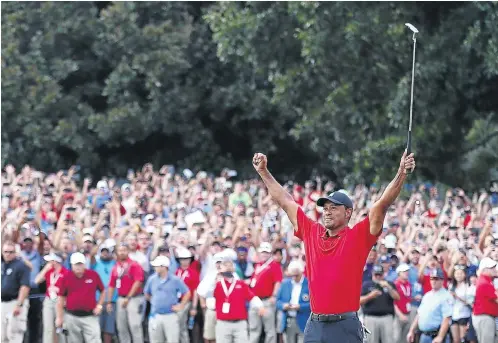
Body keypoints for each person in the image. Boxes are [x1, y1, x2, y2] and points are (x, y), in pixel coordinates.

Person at [252, 150, 416, 343]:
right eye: (325, 208)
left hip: (345, 326)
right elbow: (285, 201)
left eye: (334, 208)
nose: (327, 212)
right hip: (315, 324)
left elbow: (382, 205)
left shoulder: (358, 237)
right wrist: (263, 171)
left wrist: (401, 173)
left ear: (348, 212)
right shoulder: (312, 232)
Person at [213, 256, 267, 343]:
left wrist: (260, 306)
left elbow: (251, 297)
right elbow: (203, 291)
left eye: (229, 265)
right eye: (225, 265)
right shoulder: (216, 284)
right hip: (223, 323)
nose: (228, 267)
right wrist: (216, 274)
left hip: (240, 323)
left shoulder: (240, 284)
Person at [56, 252, 105, 343]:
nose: (78, 267)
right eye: (76, 264)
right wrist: (59, 317)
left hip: (90, 316)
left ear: (84, 264)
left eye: (80, 264)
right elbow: (61, 298)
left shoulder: (93, 275)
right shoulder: (66, 277)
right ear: (72, 265)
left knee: (95, 340)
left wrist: (99, 306)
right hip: (71, 316)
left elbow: (102, 291)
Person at [144, 255, 191, 343]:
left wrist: (181, 305)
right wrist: (154, 301)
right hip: (155, 315)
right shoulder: (152, 279)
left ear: (164, 267)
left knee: (172, 340)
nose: (155, 268)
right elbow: (147, 293)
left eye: (157, 266)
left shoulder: (175, 280)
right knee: (155, 340)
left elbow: (187, 292)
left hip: (170, 315)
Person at [107, 243, 145, 343]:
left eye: (124, 250)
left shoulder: (134, 264)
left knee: (135, 325)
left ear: (128, 251)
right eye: (120, 250)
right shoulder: (116, 267)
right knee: (121, 326)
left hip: (133, 298)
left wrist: (128, 298)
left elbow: (138, 282)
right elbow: (111, 285)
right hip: (120, 298)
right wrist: (109, 301)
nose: (122, 252)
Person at [248, 241, 283, 343]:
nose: (264, 254)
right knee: (254, 328)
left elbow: (278, 282)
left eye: (266, 252)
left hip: (267, 300)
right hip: (255, 301)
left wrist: (274, 296)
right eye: (263, 252)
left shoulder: (274, 265)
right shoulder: (258, 265)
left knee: (269, 330)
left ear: (270, 253)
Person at [407, 268, 453, 343]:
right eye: (431, 278)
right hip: (424, 335)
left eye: (436, 279)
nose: (433, 281)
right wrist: (411, 331)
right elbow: (419, 314)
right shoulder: (427, 295)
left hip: (436, 335)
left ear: (442, 280)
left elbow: (447, 319)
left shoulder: (446, 296)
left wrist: (440, 337)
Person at [34, 252, 69, 343]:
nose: (48, 263)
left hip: (61, 301)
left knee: (61, 326)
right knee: (48, 328)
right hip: (49, 300)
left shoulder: (65, 273)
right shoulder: (49, 271)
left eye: (50, 261)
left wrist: (59, 290)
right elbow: (37, 280)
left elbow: (69, 290)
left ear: (55, 261)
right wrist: (45, 269)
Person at [360, 264, 400, 343]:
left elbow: (397, 298)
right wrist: (370, 296)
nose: (378, 276)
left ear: (383, 274)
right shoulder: (366, 284)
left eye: (380, 274)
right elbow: (359, 301)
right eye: (376, 274)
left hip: (386, 317)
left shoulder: (389, 284)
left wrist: (388, 287)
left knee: (388, 340)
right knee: (371, 341)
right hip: (371, 318)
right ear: (372, 274)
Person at [1, 241, 31, 343]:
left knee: (14, 335)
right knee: (2, 336)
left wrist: (19, 304)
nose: (8, 254)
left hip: (16, 302)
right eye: (5, 252)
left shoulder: (21, 265)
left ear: (15, 252)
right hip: (3, 303)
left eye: (10, 252)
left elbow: (25, 287)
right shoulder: (3, 265)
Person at [276, 260, 311, 343]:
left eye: (296, 275)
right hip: (289, 320)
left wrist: (300, 307)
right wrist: (283, 306)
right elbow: (277, 301)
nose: (294, 278)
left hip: (304, 319)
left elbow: (314, 305)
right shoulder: (285, 283)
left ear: (302, 272)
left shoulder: (309, 284)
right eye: (292, 275)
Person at [91, 245, 118, 343]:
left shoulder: (115, 263)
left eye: (107, 251)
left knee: (109, 329)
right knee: (96, 328)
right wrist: (101, 241)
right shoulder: (95, 263)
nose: (105, 253)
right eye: (103, 251)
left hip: (112, 300)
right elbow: (91, 254)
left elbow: (119, 253)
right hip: (97, 300)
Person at [175, 247, 200, 343]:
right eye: (182, 259)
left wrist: (194, 307)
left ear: (190, 260)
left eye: (186, 259)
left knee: (180, 323)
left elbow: (195, 291)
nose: (184, 261)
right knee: (179, 325)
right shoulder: (177, 272)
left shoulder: (193, 273)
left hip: (187, 302)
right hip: (176, 301)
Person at [471, 257, 498, 343]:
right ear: (485, 270)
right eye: (491, 268)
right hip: (484, 318)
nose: (494, 269)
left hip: (485, 317)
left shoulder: (486, 281)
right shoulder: (484, 282)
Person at [449, 264, 475, 343]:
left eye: (461, 273)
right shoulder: (451, 286)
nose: (458, 275)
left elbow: (470, 303)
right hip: (454, 315)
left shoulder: (468, 286)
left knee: (463, 339)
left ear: (465, 274)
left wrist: (457, 297)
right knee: (456, 339)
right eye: (457, 273)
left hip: (464, 314)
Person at [393, 263, 413, 343]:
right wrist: (400, 314)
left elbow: (406, 298)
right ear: (399, 273)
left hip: (408, 313)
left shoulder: (408, 284)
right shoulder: (395, 284)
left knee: (405, 339)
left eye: (407, 271)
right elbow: (393, 302)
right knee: (396, 338)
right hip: (398, 315)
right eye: (404, 271)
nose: (406, 273)